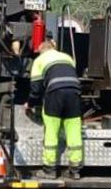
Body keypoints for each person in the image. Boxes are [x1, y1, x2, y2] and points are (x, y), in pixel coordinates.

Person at [29, 38, 84, 179]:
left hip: (55, 93)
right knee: (74, 130)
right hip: (74, 92)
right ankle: (75, 170)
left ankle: (49, 170)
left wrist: (30, 104)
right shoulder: (67, 57)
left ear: (41, 50)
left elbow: (35, 88)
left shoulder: (39, 60)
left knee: (51, 131)